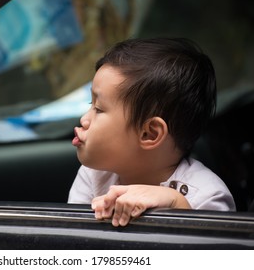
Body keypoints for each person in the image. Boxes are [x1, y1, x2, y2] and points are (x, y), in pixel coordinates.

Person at [68, 37, 236, 227]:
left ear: (150, 134)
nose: (84, 119)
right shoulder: (94, 174)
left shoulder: (207, 195)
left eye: (98, 108)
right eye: (92, 104)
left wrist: (178, 205)